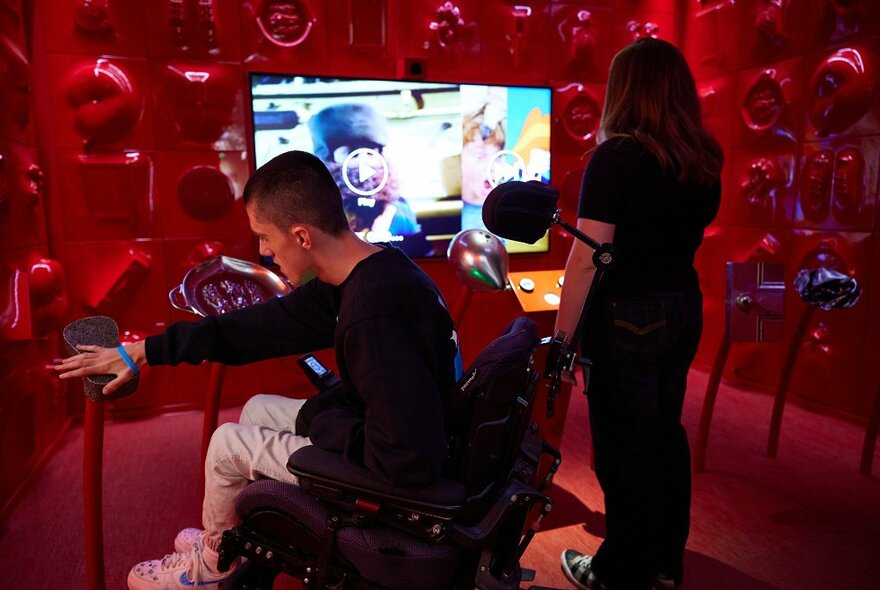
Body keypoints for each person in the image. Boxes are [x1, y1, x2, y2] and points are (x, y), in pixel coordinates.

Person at [55, 150, 461, 590]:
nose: (264, 252)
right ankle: (239, 538)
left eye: (265, 238)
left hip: (400, 473)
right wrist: (147, 351)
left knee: (228, 443)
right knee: (258, 407)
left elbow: (406, 458)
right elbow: (261, 328)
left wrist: (324, 422)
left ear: (302, 236)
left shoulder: (371, 314)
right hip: (391, 432)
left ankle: (213, 568)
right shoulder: (370, 270)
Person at [555, 38, 723, 590]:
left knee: (624, 448)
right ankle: (663, 564)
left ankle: (619, 573)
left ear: (625, 91)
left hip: (627, 315)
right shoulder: (704, 156)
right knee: (663, 438)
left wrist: (563, 338)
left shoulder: (618, 156)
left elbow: (589, 258)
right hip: (683, 307)